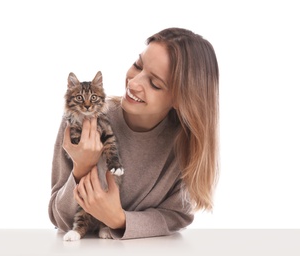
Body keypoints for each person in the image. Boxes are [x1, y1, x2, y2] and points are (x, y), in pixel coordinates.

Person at [48, 27, 219, 240]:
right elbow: (60, 219)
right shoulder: (83, 121)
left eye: (155, 84)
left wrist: (119, 220)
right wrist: (81, 168)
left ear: (180, 99)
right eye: (138, 65)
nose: (134, 82)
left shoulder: (182, 143)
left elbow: (177, 216)